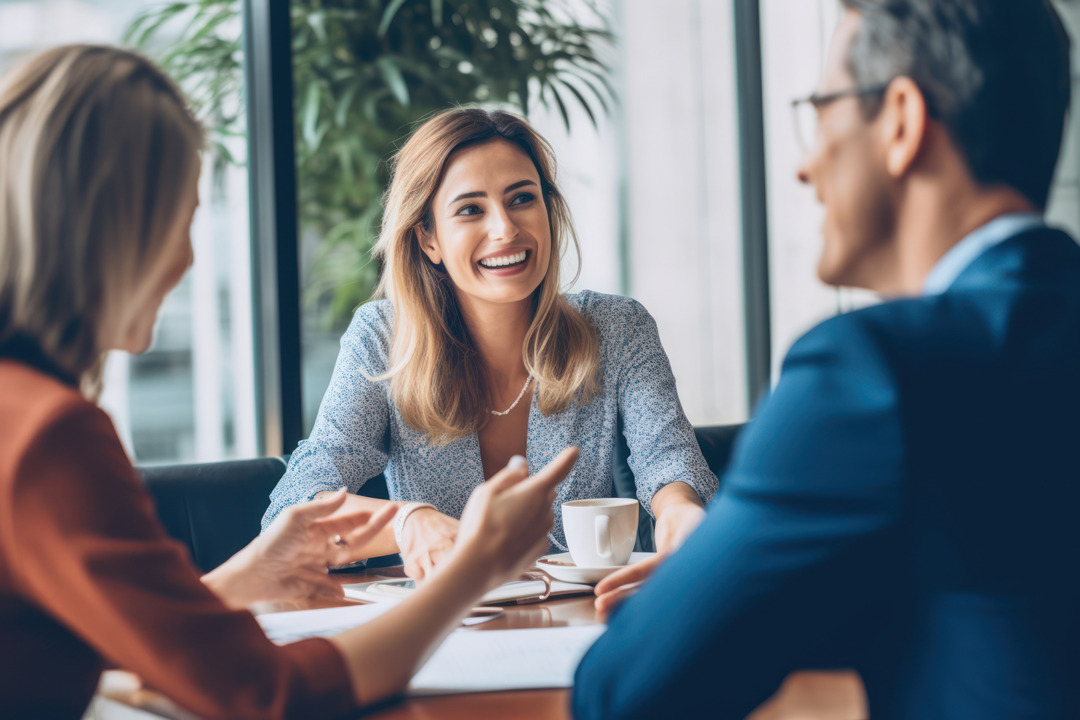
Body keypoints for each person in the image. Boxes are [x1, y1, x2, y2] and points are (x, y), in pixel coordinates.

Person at [0, 44, 580, 720]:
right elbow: (273, 696)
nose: (188, 258)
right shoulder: (47, 436)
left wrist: (241, 580)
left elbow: (85, 646)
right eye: (181, 220)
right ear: (111, 227)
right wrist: (473, 568)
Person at [574, 1, 1080, 718]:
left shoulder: (872, 372)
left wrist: (712, 586)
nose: (805, 166)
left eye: (820, 110)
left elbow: (620, 693)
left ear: (901, 122)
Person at [263, 108, 717, 578]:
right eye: (470, 210)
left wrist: (681, 514)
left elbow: (669, 463)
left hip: (586, 614)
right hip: (444, 629)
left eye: (522, 198)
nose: (504, 228)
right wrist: (406, 523)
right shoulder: (381, 337)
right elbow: (295, 510)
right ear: (428, 239)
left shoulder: (618, 327)